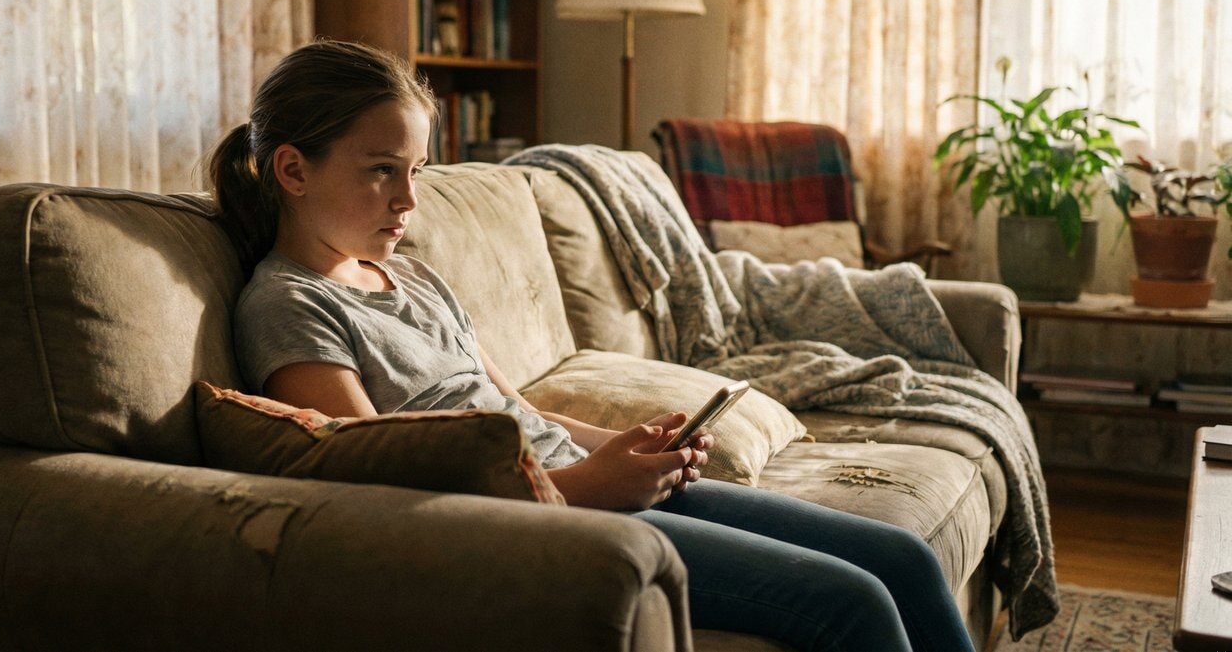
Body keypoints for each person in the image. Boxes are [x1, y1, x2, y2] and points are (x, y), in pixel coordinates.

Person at [207, 39, 977, 652]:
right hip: (541, 522)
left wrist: (629, 447)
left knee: (900, 559)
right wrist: (588, 488)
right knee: (852, 600)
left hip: (587, 484)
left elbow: (508, 405)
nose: (409, 199)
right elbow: (372, 480)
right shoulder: (285, 305)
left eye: (416, 171)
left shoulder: (408, 275)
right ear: (292, 169)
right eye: (382, 172)